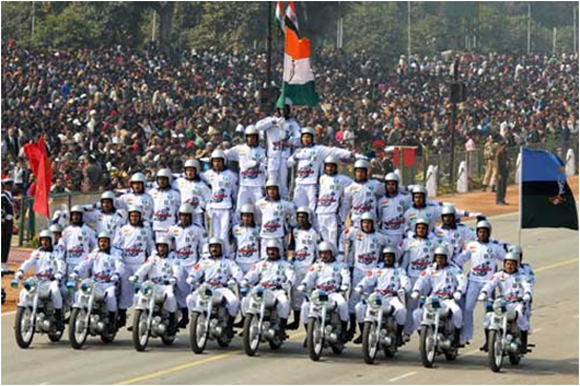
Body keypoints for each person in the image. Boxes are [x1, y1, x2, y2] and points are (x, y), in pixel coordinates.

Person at [338, 212, 394, 343]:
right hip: (358, 271)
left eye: (369, 222)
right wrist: (342, 254)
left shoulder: (381, 237)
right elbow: (342, 238)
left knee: (372, 301)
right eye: (364, 222)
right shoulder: (354, 233)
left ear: (374, 223)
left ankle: (369, 331)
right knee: (353, 302)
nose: (366, 225)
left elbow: (389, 251)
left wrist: (383, 265)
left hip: (374, 273)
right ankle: (352, 329)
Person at [456, 220, 507, 344]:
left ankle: (490, 339)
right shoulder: (471, 245)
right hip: (473, 281)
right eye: (480, 231)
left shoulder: (495, 247)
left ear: (489, 233)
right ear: (477, 233)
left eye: (485, 232)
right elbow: (460, 259)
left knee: (490, 311)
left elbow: (506, 259)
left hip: (488, 283)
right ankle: (466, 336)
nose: (482, 234)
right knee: (467, 309)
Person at [186, 238, 243, 339]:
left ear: (221, 248)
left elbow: (238, 272)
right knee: (190, 298)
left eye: (216, 247)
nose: (214, 249)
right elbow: (194, 272)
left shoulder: (228, 262)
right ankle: (195, 320)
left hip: (222, 288)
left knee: (234, 301)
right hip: (206, 288)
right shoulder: (204, 261)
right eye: (212, 247)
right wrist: (191, 278)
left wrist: (233, 280)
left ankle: (229, 325)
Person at [69, 231, 125, 334]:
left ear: (109, 242)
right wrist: (76, 271)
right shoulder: (95, 253)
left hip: (109, 283)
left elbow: (120, 266)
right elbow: (85, 263)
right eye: (101, 241)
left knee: (111, 296)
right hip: (95, 282)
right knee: (78, 293)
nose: (103, 244)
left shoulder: (115, 253)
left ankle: (112, 321)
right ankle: (80, 314)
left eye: (105, 241)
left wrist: (116, 274)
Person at [410, 245, 466, 347]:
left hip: (448, 299)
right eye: (437, 257)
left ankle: (457, 337)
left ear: (446, 258)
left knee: (457, 312)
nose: (439, 260)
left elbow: (462, 279)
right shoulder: (430, 269)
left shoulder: (453, 268)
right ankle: (424, 336)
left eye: (442, 257)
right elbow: (421, 279)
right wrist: (416, 290)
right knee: (417, 314)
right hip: (433, 298)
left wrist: (459, 291)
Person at [288, 126, 353, 212]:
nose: (306, 139)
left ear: (312, 138)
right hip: (299, 184)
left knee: (313, 209)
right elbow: (289, 164)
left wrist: (350, 154)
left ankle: (314, 225)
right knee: (298, 209)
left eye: (308, 137)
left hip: (313, 184)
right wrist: (294, 158)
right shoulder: (298, 151)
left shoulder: (319, 149)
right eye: (304, 137)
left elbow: (334, 151)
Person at [354, 246, 410, 346]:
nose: (387, 258)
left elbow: (405, 280)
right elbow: (367, 279)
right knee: (359, 307)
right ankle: (363, 333)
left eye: (390, 256)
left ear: (394, 257)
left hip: (392, 297)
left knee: (402, 310)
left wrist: (403, 289)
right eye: (385, 256)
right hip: (377, 296)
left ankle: (398, 335)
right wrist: (361, 286)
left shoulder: (399, 270)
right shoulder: (377, 269)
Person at [478, 252, 533, 353]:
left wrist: (527, 295)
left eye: (512, 264)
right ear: (504, 264)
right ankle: (488, 341)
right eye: (508, 264)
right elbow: (490, 284)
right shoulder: (499, 275)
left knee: (520, 316)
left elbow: (527, 286)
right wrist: (484, 292)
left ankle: (523, 344)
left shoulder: (522, 275)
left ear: (517, 264)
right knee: (489, 316)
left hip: (517, 302)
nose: (509, 266)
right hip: (503, 302)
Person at [297, 242, 350, 346]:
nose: (323, 256)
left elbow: (346, 276)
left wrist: (345, 285)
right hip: (318, 294)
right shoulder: (317, 265)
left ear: (332, 253)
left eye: (326, 253)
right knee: (305, 306)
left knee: (342, 304)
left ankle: (343, 331)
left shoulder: (341, 265)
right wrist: (304, 284)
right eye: (321, 253)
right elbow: (309, 277)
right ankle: (309, 334)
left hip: (333, 293)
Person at [240, 239, 295, 339]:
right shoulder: (260, 264)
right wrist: (246, 280)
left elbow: (291, 275)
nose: (271, 252)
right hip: (261, 289)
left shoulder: (285, 264)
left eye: (274, 250)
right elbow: (252, 274)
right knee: (245, 300)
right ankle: (247, 324)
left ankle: (282, 329)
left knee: (284, 303)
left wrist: (288, 283)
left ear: (279, 251)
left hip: (277, 290)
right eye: (269, 250)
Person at [14, 230, 66, 332]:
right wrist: (20, 271)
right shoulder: (36, 253)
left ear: (51, 241)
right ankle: (21, 317)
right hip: (37, 280)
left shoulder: (56, 253)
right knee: (24, 292)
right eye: (42, 240)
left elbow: (61, 264)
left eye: (47, 240)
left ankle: (59, 316)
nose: (44, 242)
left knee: (55, 291)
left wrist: (59, 273)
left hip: (51, 280)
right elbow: (27, 263)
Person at [113, 205, 155, 328]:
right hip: (125, 264)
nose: (134, 218)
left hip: (139, 265)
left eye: (136, 216)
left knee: (139, 292)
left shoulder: (146, 230)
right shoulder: (123, 229)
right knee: (125, 291)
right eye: (132, 216)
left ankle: (137, 320)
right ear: (129, 217)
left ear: (140, 217)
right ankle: (122, 316)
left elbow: (151, 245)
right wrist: (118, 256)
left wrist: (153, 255)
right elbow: (116, 245)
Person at [166, 204, 206, 328]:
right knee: (180, 290)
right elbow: (165, 240)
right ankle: (183, 316)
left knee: (194, 290)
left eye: (187, 216)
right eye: (182, 216)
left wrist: (204, 256)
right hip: (179, 264)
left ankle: (197, 316)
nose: (184, 218)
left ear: (191, 217)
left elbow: (205, 244)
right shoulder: (174, 229)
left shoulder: (198, 229)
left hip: (192, 264)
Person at [130, 236, 180, 334]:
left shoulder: (173, 258)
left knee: (170, 296)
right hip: (152, 285)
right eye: (159, 246)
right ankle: (138, 319)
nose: (161, 249)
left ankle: (171, 320)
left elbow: (177, 269)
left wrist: (174, 278)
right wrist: (136, 275)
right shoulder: (153, 258)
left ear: (168, 247)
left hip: (166, 285)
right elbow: (144, 268)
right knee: (138, 295)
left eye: (164, 247)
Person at [255, 98, 302, 199]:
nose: (283, 111)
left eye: (285, 109)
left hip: (285, 157)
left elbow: (299, 140)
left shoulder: (293, 124)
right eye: (281, 109)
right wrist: (274, 122)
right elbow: (258, 126)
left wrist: (289, 138)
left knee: (284, 183)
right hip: (272, 156)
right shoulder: (271, 120)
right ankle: (268, 200)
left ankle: (284, 201)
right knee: (271, 181)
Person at [399, 218, 437, 337]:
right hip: (412, 277)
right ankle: (407, 332)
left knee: (429, 305)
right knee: (410, 306)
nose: (421, 230)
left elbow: (446, 252)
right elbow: (398, 255)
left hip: (428, 280)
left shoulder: (434, 242)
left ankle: (428, 332)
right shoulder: (408, 242)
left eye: (424, 228)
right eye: (419, 228)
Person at [287, 206, 321, 330]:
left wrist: (315, 266)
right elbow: (291, 246)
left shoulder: (314, 233)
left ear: (309, 218)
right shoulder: (295, 231)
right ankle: (296, 321)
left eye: (303, 217)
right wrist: (290, 260)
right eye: (299, 217)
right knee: (295, 294)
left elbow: (318, 251)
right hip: (297, 266)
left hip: (309, 267)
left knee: (309, 298)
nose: (301, 219)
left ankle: (310, 330)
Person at [201, 150, 238, 255]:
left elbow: (235, 192)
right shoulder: (208, 174)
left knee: (224, 234)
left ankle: (225, 255)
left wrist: (234, 207)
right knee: (214, 234)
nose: (217, 164)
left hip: (226, 207)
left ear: (224, 162)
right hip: (213, 208)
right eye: (214, 161)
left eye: (219, 161)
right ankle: (212, 255)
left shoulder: (231, 175)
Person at [224, 125, 267, 209]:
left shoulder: (262, 151)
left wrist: (257, 164)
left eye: (253, 137)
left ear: (257, 137)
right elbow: (225, 155)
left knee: (259, 209)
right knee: (240, 208)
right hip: (244, 185)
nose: (251, 139)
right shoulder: (239, 149)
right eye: (249, 137)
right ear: (246, 137)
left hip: (258, 185)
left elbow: (267, 167)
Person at [315, 155, 353, 247]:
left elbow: (357, 186)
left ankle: (336, 259)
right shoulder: (321, 178)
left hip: (333, 214)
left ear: (336, 167)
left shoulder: (343, 179)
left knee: (333, 240)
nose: (330, 168)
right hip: (320, 213)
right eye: (328, 166)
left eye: (332, 166)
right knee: (323, 240)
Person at [255, 179, 296, 257]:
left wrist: (290, 224)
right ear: (266, 190)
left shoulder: (284, 204)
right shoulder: (260, 203)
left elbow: (294, 212)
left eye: (274, 189)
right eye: (269, 189)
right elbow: (257, 217)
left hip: (279, 236)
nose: (271, 191)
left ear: (278, 190)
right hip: (265, 236)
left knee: (280, 257)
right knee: (264, 259)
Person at [343, 159, 384, 229]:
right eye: (358, 171)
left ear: (366, 172)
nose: (360, 174)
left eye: (362, 171)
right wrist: (342, 220)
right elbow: (345, 205)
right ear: (354, 173)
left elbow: (386, 194)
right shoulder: (349, 188)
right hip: (356, 221)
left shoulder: (375, 184)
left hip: (371, 221)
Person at [59, 205, 97, 279]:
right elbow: (61, 246)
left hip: (83, 264)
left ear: (82, 216)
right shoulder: (66, 231)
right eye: (74, 215)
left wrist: (91, 257)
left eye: (78, 215)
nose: (75, 217)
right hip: (69, 263)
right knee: (70, 287)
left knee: (83, 287)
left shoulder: (88, 230)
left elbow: (96, 245)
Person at [172, 159, 212, 228]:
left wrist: (202, 205)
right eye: (187, 170)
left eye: (192, 171)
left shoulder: (201, 185)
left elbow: (209, 198)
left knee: (199, 230)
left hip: (197, 212)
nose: (189, 173)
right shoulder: (179, 182)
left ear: (196, 171)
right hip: (184, 213)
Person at [378, 172, 412, 246]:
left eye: (393, 184)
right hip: (386, 234)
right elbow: (379, 217)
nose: (390, 186)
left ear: (397, 185)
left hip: (401, 233)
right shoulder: (381, 201)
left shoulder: (405, 198)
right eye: (388, 184)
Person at [149, 168, 181, 238]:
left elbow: (179, 211)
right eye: (159, 179)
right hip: (155, 227)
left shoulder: (175, 194)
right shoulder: (151, 193)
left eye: (164, 179)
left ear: (168, 180)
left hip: (169, 227)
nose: (161, 181)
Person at [231, 204, 261, 275]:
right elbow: (234, 243)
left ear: (252, 217)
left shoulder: (257, 229)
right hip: (240, 260)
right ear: (241, 217)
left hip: (254, 260)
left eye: (248, 216)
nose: (246, 218)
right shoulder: (236, 229)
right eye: (244, 216)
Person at [1, 175, 15, 274]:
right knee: (3, 242)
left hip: (9, 221)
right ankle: (1, 265)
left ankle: (4, 264)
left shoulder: (9, 196)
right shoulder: (3, 196)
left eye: (10, 184)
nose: (9, 186)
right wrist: (3, 218)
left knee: (7, 242)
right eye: (7, 184)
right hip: (4, 222)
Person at [495, 140, 510, 205]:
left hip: (505, 171)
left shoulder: (505, 152)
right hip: (500, 171)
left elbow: (507, 160)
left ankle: (503, 199)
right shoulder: (499, 153)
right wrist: (499, 173)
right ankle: (499, 200)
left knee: (504, 186)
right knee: (500, 186)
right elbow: (497, 164)